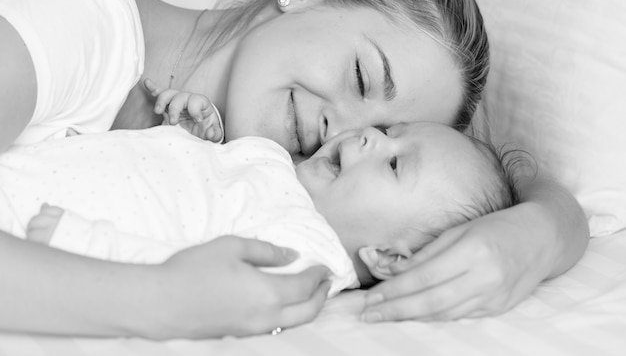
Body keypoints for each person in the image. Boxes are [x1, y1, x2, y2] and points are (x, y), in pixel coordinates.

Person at [0, 0, 589, 339]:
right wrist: (161, 299)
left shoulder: (231, 169)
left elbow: (458, 183)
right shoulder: (78, 27)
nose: (347, 135)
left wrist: (543, 227)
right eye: (361, 77)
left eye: (383, 137)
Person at [4, 120, 517, 297]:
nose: (370, 137)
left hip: (39, 235)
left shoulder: (309, 255)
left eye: (395, 166)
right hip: (36, 166)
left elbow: (204, 283)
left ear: (389, 256)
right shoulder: (281, 165)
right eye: (389, 132)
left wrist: (93, 246)